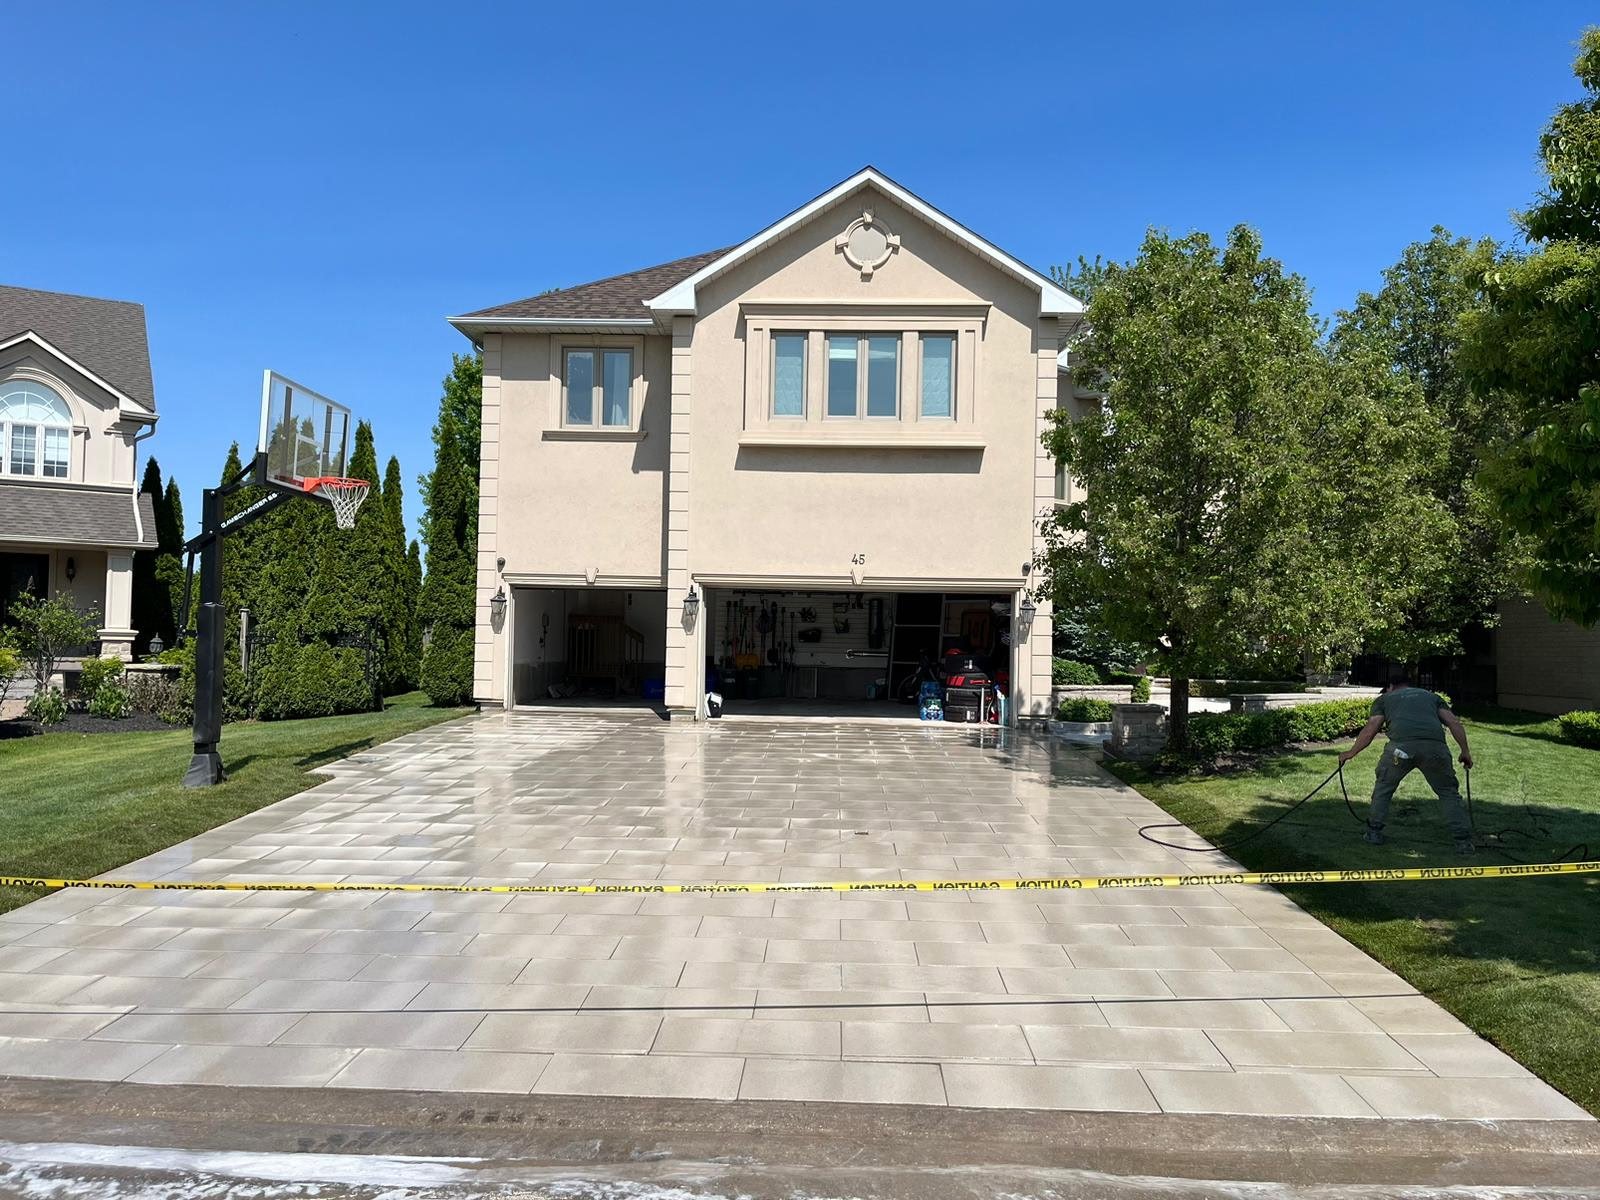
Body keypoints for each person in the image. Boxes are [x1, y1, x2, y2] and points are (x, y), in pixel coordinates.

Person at [1338, 675, 1475, 854]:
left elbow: (1371, 728)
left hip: (1399, 751)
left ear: (1390, 686)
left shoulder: (1384, 700)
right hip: (1435, 750)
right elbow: (1453, 722)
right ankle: (1463, 842)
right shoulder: (1432, 697)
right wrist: (1465, 751)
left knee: (1384, 788)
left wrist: (1351, 753)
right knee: (1448, 792)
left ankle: (1374, 832)